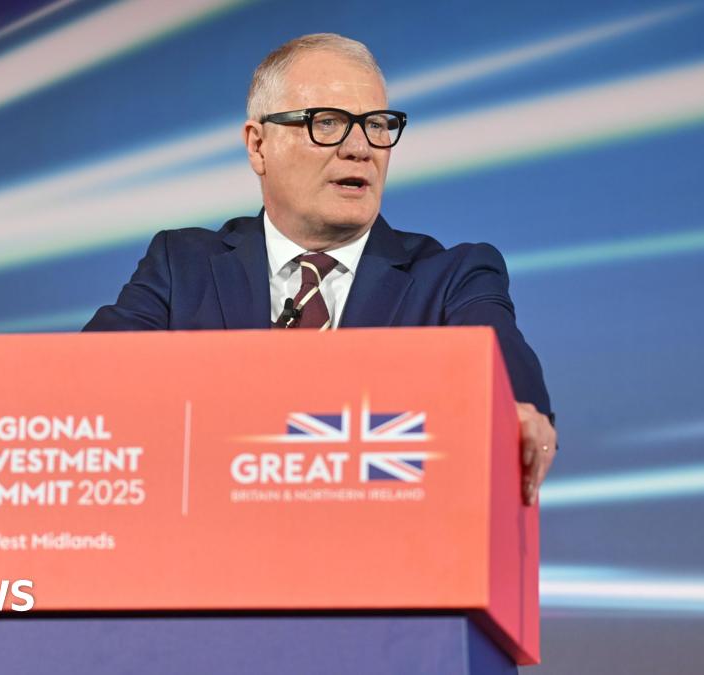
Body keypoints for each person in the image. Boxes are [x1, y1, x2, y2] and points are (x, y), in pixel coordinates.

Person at [84, 33, 557, 504]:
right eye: (327, 123)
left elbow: (501, 361)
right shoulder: (182, 266)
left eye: (377, 125)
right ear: (258, 145)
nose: (360, 148)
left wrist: (515, 411)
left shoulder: (450, 277)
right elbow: (82, 384)